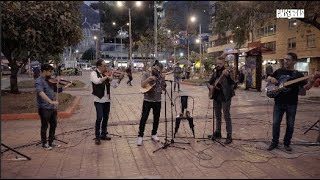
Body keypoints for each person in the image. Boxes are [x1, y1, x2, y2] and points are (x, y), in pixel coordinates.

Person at [266, 53, 320, 151]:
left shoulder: (298, 75)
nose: (285, 61)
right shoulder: (279, 71)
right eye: (285, 59)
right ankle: (274, 142)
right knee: (275, 123)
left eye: (288, 60)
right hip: (278, 102)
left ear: (294, 61)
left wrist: (312, 80)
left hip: (291, 103)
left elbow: (306, 88)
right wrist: (271, 78)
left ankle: (287, 143)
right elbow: (268, 78)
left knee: (290, 125)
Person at [35, 64, 73, 150]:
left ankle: (51, 142)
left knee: (53, 124)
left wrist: (67, 85)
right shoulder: (38, 81)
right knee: (44, 126)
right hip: (44, 107)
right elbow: (41, 93)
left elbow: (57, 90)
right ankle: (44, 143)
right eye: (50, 71)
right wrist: (50, 101)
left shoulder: (50, 80)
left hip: (52, 108)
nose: (51, 73)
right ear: (44, 71)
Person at [91, 59, 123, 145]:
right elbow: (96, 81)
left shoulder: (107, 74)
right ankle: (97, 136)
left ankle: (103, 134)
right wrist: (106, 77)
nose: (106, 67)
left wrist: (119, 79)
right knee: (99, 117)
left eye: (106, 66)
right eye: (104, 66)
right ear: (99, 66)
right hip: (98, 100)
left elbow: (114, 85)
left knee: (105, 117)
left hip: (107, 100)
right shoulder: (94, 73)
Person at [137, 63, 166, 146]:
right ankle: (140, 136)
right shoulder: (147, 74)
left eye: (159, 69)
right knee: (144, 118)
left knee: (156, 118)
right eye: (155, 68)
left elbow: (163, 88)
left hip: (157, 100)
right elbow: (142, 85)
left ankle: (154, 134)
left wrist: (163, 81)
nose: (156, 70)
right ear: (153, 67)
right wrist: (149, 79)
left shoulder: (161, 76)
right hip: (147, 100)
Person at [208, 56, 236, 144]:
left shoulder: (228, 71)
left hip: (225, 96)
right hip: (216, 96)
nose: (219, 65)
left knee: (226, 115)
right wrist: (210, 87)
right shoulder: (215, 71)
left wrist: (228, 76)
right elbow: (209, 82)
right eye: (218, 63)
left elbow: (233, 83)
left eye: (220, 63)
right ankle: (218, 132)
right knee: (217, 115)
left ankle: (229, 135)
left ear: (224, 63)